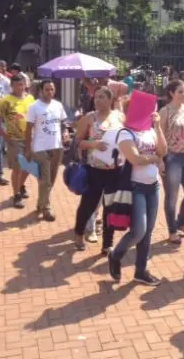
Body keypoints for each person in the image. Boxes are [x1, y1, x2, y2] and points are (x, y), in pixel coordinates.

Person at [108, 112, 167, 285]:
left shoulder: (150, 130)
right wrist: (155, 158)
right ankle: (116, 254)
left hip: (153, 186)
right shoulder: (125, 133)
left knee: (148, 231)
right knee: (139, 231)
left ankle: (141, 271)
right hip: (135, 187)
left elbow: (163, 151)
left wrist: (157, 126)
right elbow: (134, 159)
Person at [73, 86, 125, 251]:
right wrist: (94, 144)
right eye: (96, 97)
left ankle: (108, 244)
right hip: (94, 170)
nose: (98, 100)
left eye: (102, 97)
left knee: (111, 207)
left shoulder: (120, 117)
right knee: (88, 204)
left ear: (110, 100)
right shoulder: (90, 118)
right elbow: (78, 142)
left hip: (115, 170)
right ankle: (79, 234)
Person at [159, 80, 184, 244]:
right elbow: (158, 136)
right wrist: (160, 159)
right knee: (172, 195)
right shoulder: (165, 111)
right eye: (180, 91)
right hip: (172, 158)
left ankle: (181, 222)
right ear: (171, 93)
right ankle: (172, 230)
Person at [25, 80, 67, 222]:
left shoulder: (58, 105)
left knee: (52, 179)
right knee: (45, 180)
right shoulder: (34, 107)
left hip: (57, 146)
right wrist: (28, 148)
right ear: (41, 90)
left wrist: (66, 131)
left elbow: (63, 123)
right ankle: (47, 207)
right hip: (40, 147)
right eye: (47, 89)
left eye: (52, 89)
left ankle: (41, 202)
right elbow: (29, 128)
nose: (50, 92)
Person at [0, 75, 35, 208]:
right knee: (17, 168)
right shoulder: (6, 101)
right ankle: (16, 195)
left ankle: (21, 185)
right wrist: (5, 136)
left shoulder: (30, 98)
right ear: (12, 86)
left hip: (30, 138)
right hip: (14, 140)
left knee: (29, 167)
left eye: (22, 84)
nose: (21, 87)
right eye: (18, 85)